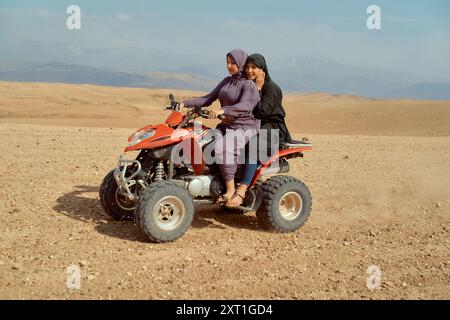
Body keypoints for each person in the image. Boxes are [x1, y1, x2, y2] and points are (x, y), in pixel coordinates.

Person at [181, 49, 260, 206]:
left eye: (233, 63)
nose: (229, 66)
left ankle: (231, 190)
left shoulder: (248, 85)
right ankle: (210, 179)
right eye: (227, 63)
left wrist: (223, 110)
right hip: (226, 124)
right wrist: (184, 103)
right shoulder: (226, 81)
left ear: (241, 63)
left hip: (243, 126)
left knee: (222, 149)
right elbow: (208, 98)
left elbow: (245, 105)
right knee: (199, 141)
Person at [225, 53, 293, 207]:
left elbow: (260, 112)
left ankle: (241, 191)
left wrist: (258, 89)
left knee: (252, 144)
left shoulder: (271, 88)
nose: (249, 70)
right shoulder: (247, 85)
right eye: (247, 67)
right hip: (255, 124)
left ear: (262, 69)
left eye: (254, 67)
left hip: (272, 128)